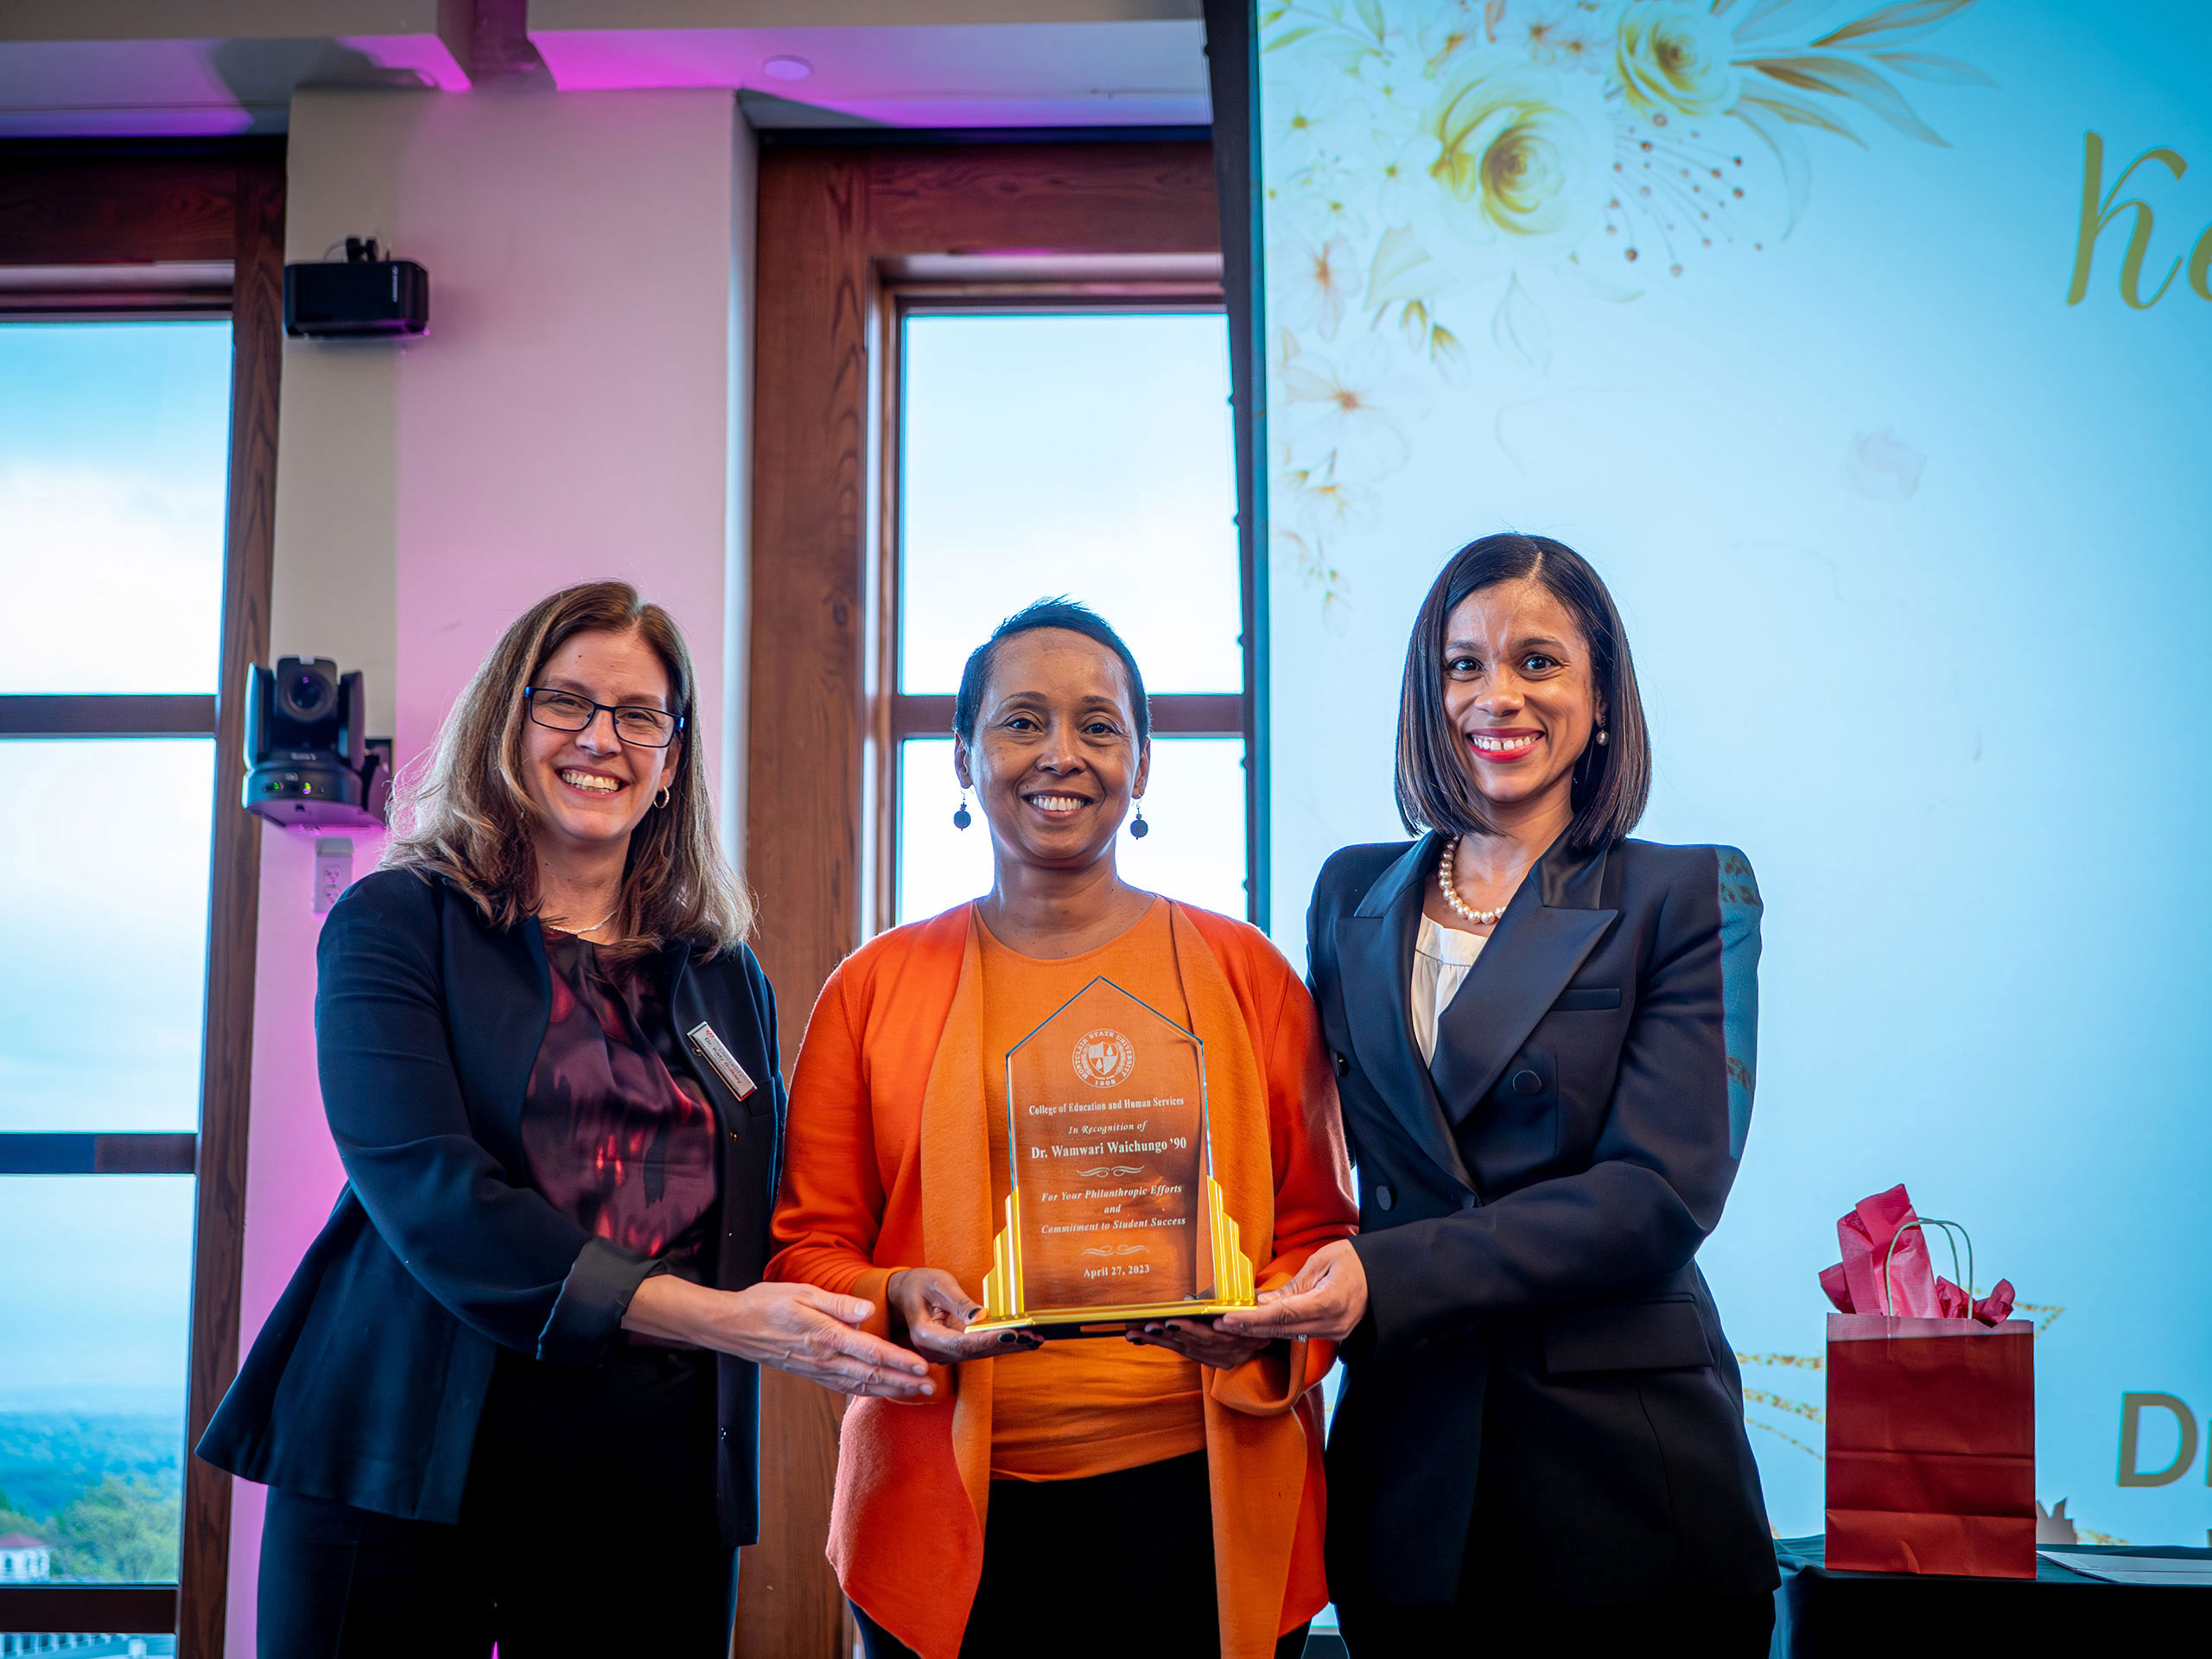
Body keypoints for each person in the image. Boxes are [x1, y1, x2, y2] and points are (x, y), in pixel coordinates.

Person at [198, 581, 931, 1658]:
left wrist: (885, 1288)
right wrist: (717, 1318)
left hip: (653, 1485)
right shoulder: (396, 924)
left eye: (640, 716)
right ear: (509, 718)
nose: (602, 740)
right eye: (567, 703)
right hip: (407, 1459)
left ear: (672, 759)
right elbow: (436, 1198)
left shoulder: (723, 976)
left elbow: (763, 1217)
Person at [1218, 535, 1778, 1654]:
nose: (1497, 696)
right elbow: (1312, 1150)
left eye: (1538, 662)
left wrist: (1381, 1271)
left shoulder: (1684, 889)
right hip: (1411, 1471)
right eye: (1462, 665)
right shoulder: (1351, 893)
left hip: (1621, 1478)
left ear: (1603, 696)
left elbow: (1658, 1195)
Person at [766, 599, 1357, 1659]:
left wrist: (1259, 1318)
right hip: (946, 1503)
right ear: (961, 758)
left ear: (1142, 765)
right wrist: (896, 1295)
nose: (1060, 756)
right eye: (1020, 721)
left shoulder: (1247, 977)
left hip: (1200, 1500)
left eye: (1098, 726)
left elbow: (1321, 1235)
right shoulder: (871, 990)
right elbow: (807, 1250)